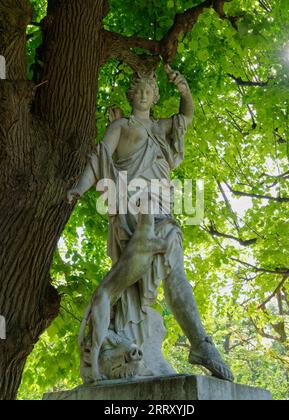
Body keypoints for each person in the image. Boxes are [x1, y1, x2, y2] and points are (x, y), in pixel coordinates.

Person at [68, 65, 234, 382]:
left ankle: (199, 343)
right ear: (131, 95)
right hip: (132, 211)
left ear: (155, 96)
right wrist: (79, 187)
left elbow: (186, 117)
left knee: (174, 269)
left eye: (149, 91)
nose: (143, 95)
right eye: (139, 90)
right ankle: (176, 344)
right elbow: (98, 157)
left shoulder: (159, 128)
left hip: (161, 206)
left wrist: (185, 91)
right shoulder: (121, 126)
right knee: (135, 282)